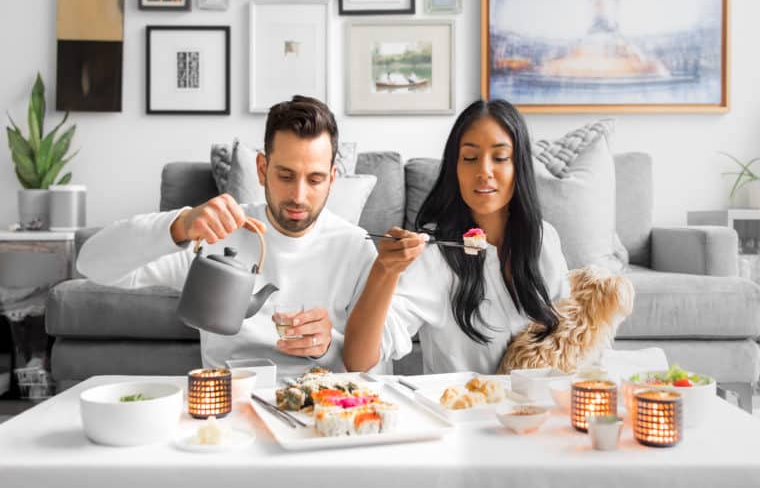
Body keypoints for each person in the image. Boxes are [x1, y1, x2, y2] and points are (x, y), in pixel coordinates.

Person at [78, 96, 381, 375]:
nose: (298, 196)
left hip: (326, 406)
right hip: (229, 402)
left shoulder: (356, 248)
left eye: (315, 180)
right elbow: (91, 264)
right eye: (285, 176)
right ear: (262, 169)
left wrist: (328, 347)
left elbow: (375, 369)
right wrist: (179, 224)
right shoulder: (216, 232)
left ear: (332, 179)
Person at [343, 99, 570, 374]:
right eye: (470, 158)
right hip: (460, 413)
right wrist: (384, 270)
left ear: (519, 166)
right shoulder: (434, 255)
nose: (484, 171)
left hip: (536, 412)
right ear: (455, 169)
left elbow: (568, 337)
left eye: (500, 158)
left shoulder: (544, 240)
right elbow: (359, 360)